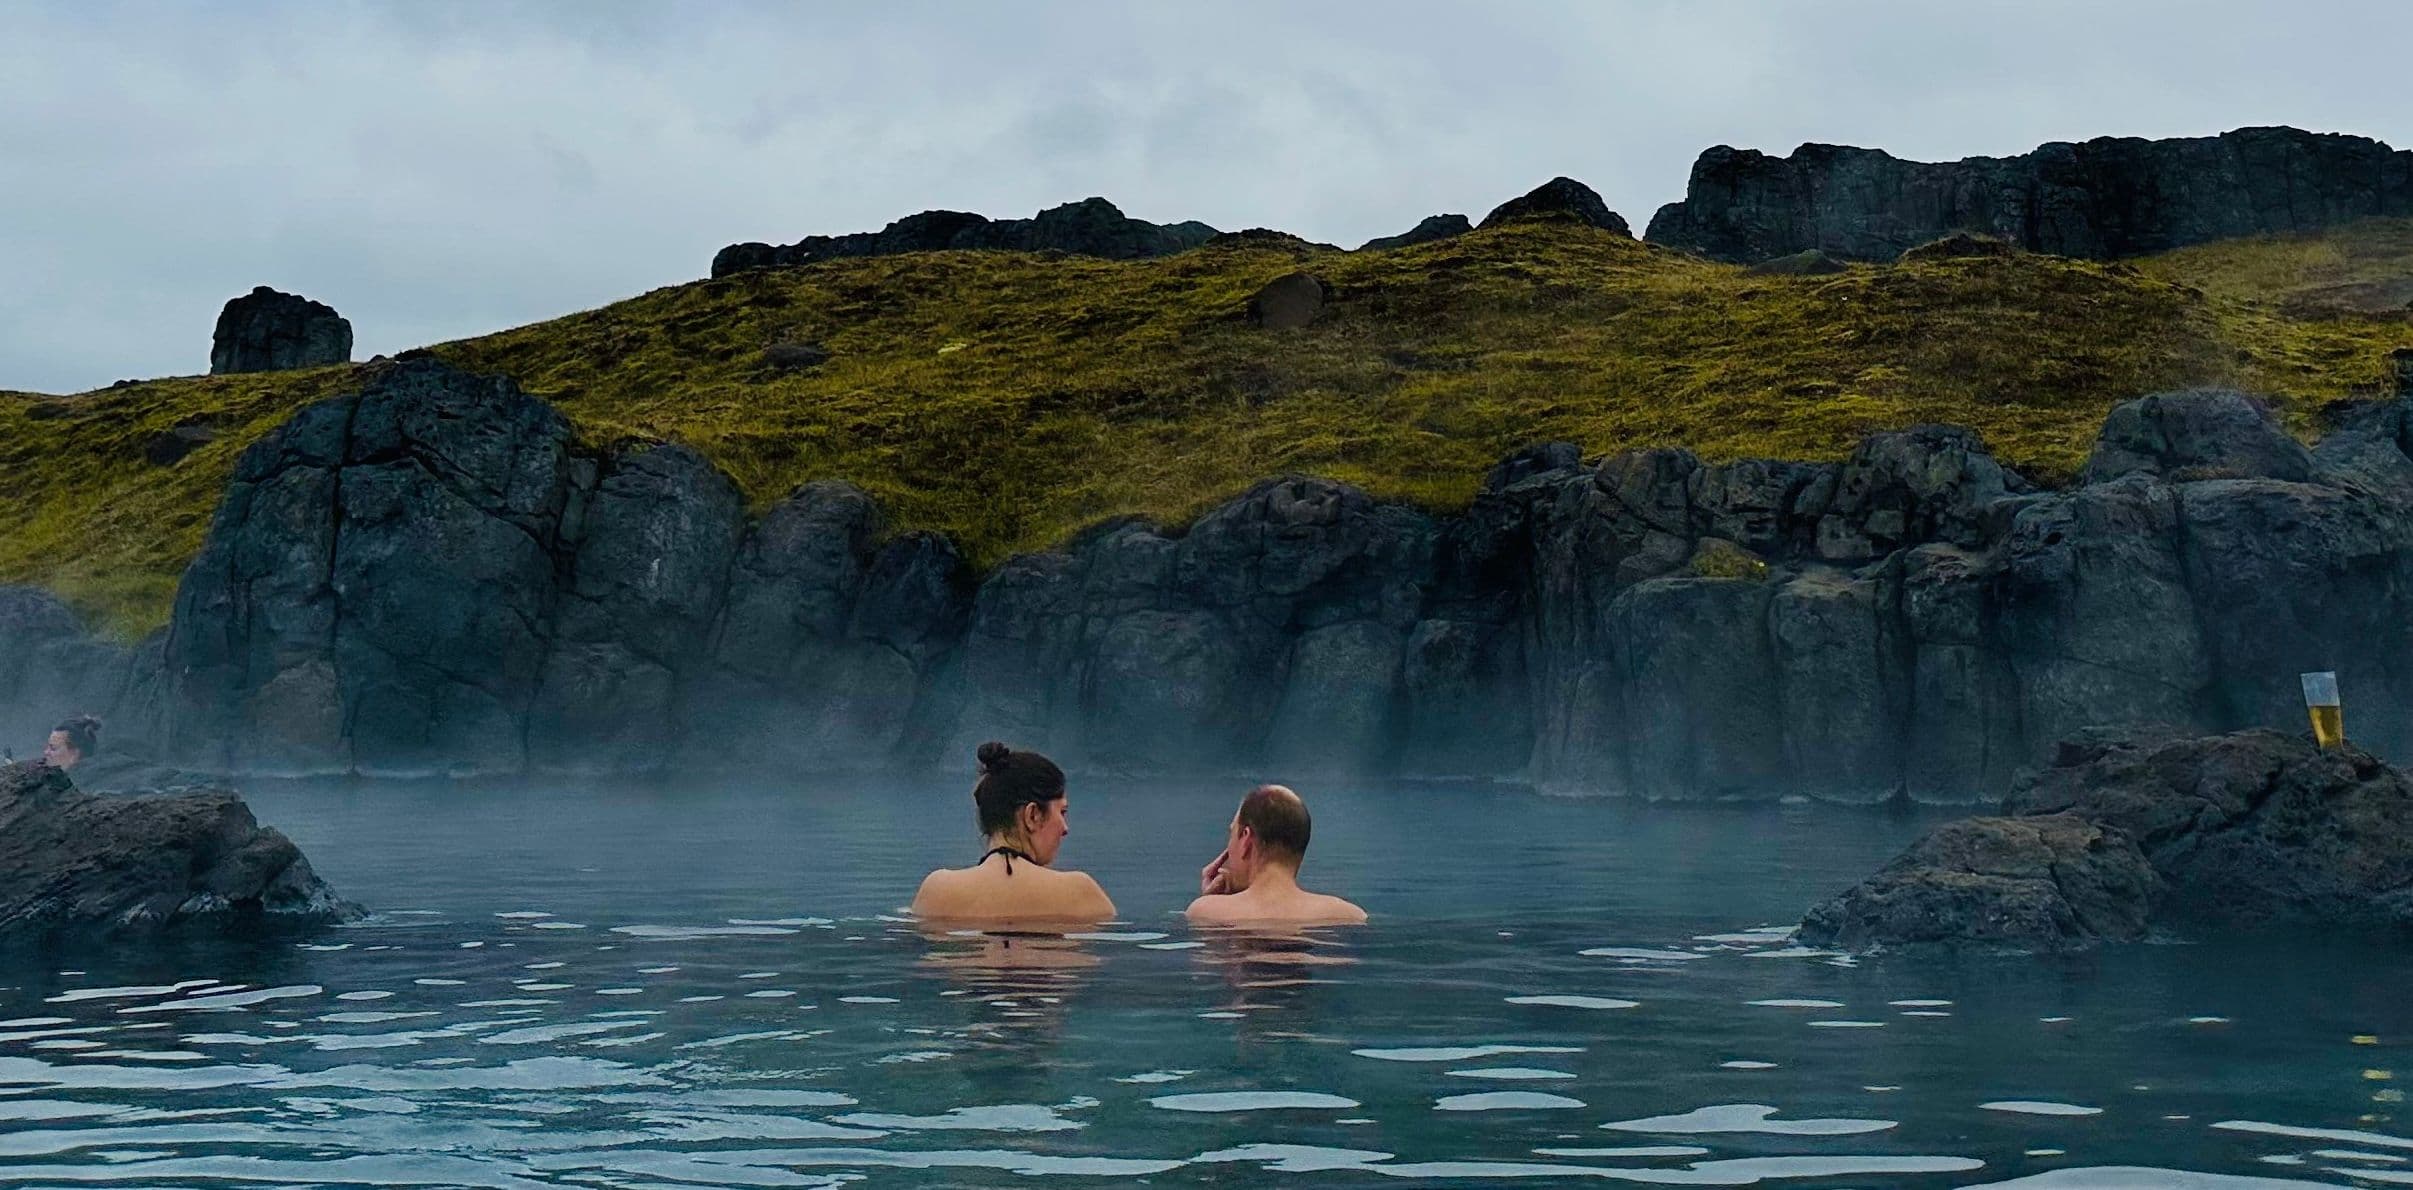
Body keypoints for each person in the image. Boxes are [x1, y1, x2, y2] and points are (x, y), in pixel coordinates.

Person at [910, 741, 1115, 924]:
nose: (1065, 828)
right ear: (1032, 815)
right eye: (1062, 812)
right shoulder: (1080, 893)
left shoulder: (938, 891)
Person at [1187, 784, 1367, 926]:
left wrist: (1211, 902)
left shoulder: (1206, 912)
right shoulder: (1350, 916)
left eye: (1232, 833)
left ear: (1245, 839)